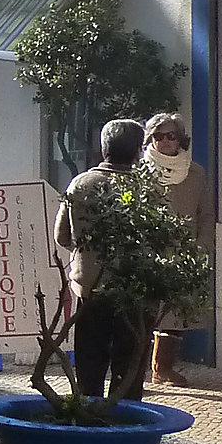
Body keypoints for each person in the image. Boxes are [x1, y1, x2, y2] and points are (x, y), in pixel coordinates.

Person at [54, 119, 149, 401]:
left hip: (91, 286)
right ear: (137, 152)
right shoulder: (147, 188)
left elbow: (62, 236)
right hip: (135, 289)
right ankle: (127, 422)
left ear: (104, 148)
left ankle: (87, 414)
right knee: (129, 366)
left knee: (90, 361)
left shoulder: (81, 184)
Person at [142, 112, 212, 386]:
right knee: (148, 310)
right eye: (158, 136)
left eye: (171, 135)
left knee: (176, 312)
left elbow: (205, 213)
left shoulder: (195, 173)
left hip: (185, 250)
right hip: (150, 248)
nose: (165, 142)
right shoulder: (142, 171)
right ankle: (143, 368)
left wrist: (203, 244)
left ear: (180, 138)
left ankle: (163, 367)